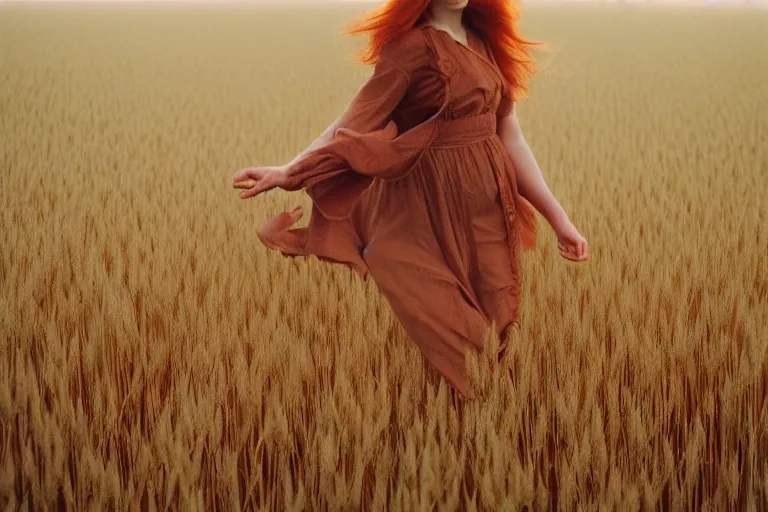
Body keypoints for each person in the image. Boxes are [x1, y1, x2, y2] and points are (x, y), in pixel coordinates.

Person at [232, 0, 589, 400]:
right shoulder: (409, 49)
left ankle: (485, 422)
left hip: (490, 210)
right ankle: (476, 415)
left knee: (498, 317)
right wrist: (291, 171)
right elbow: (352, 121)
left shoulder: (485, 41)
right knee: (450, 321)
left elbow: (511, 138)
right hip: (425, 210)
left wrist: (561, 221)